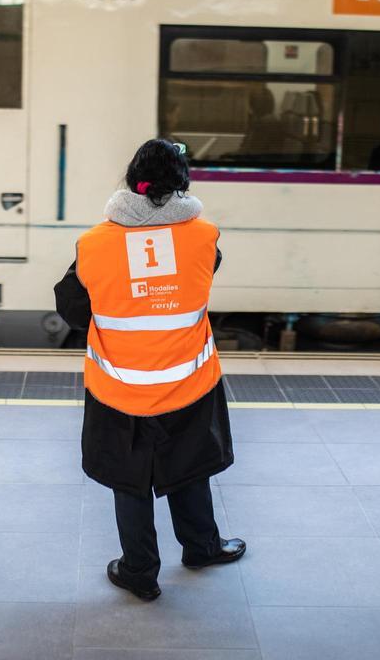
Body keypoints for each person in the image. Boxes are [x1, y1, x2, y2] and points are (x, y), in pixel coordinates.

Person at [54, 138, 245, 602]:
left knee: (129, 479)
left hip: (118, 385)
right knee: (190, 467)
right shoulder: (205, 235)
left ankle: (139, 571)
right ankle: (201, 547)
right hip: (188, 382)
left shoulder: (94, 243)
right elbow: (202, 274)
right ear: (181, 182)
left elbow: (72, 305)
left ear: (132, 180)